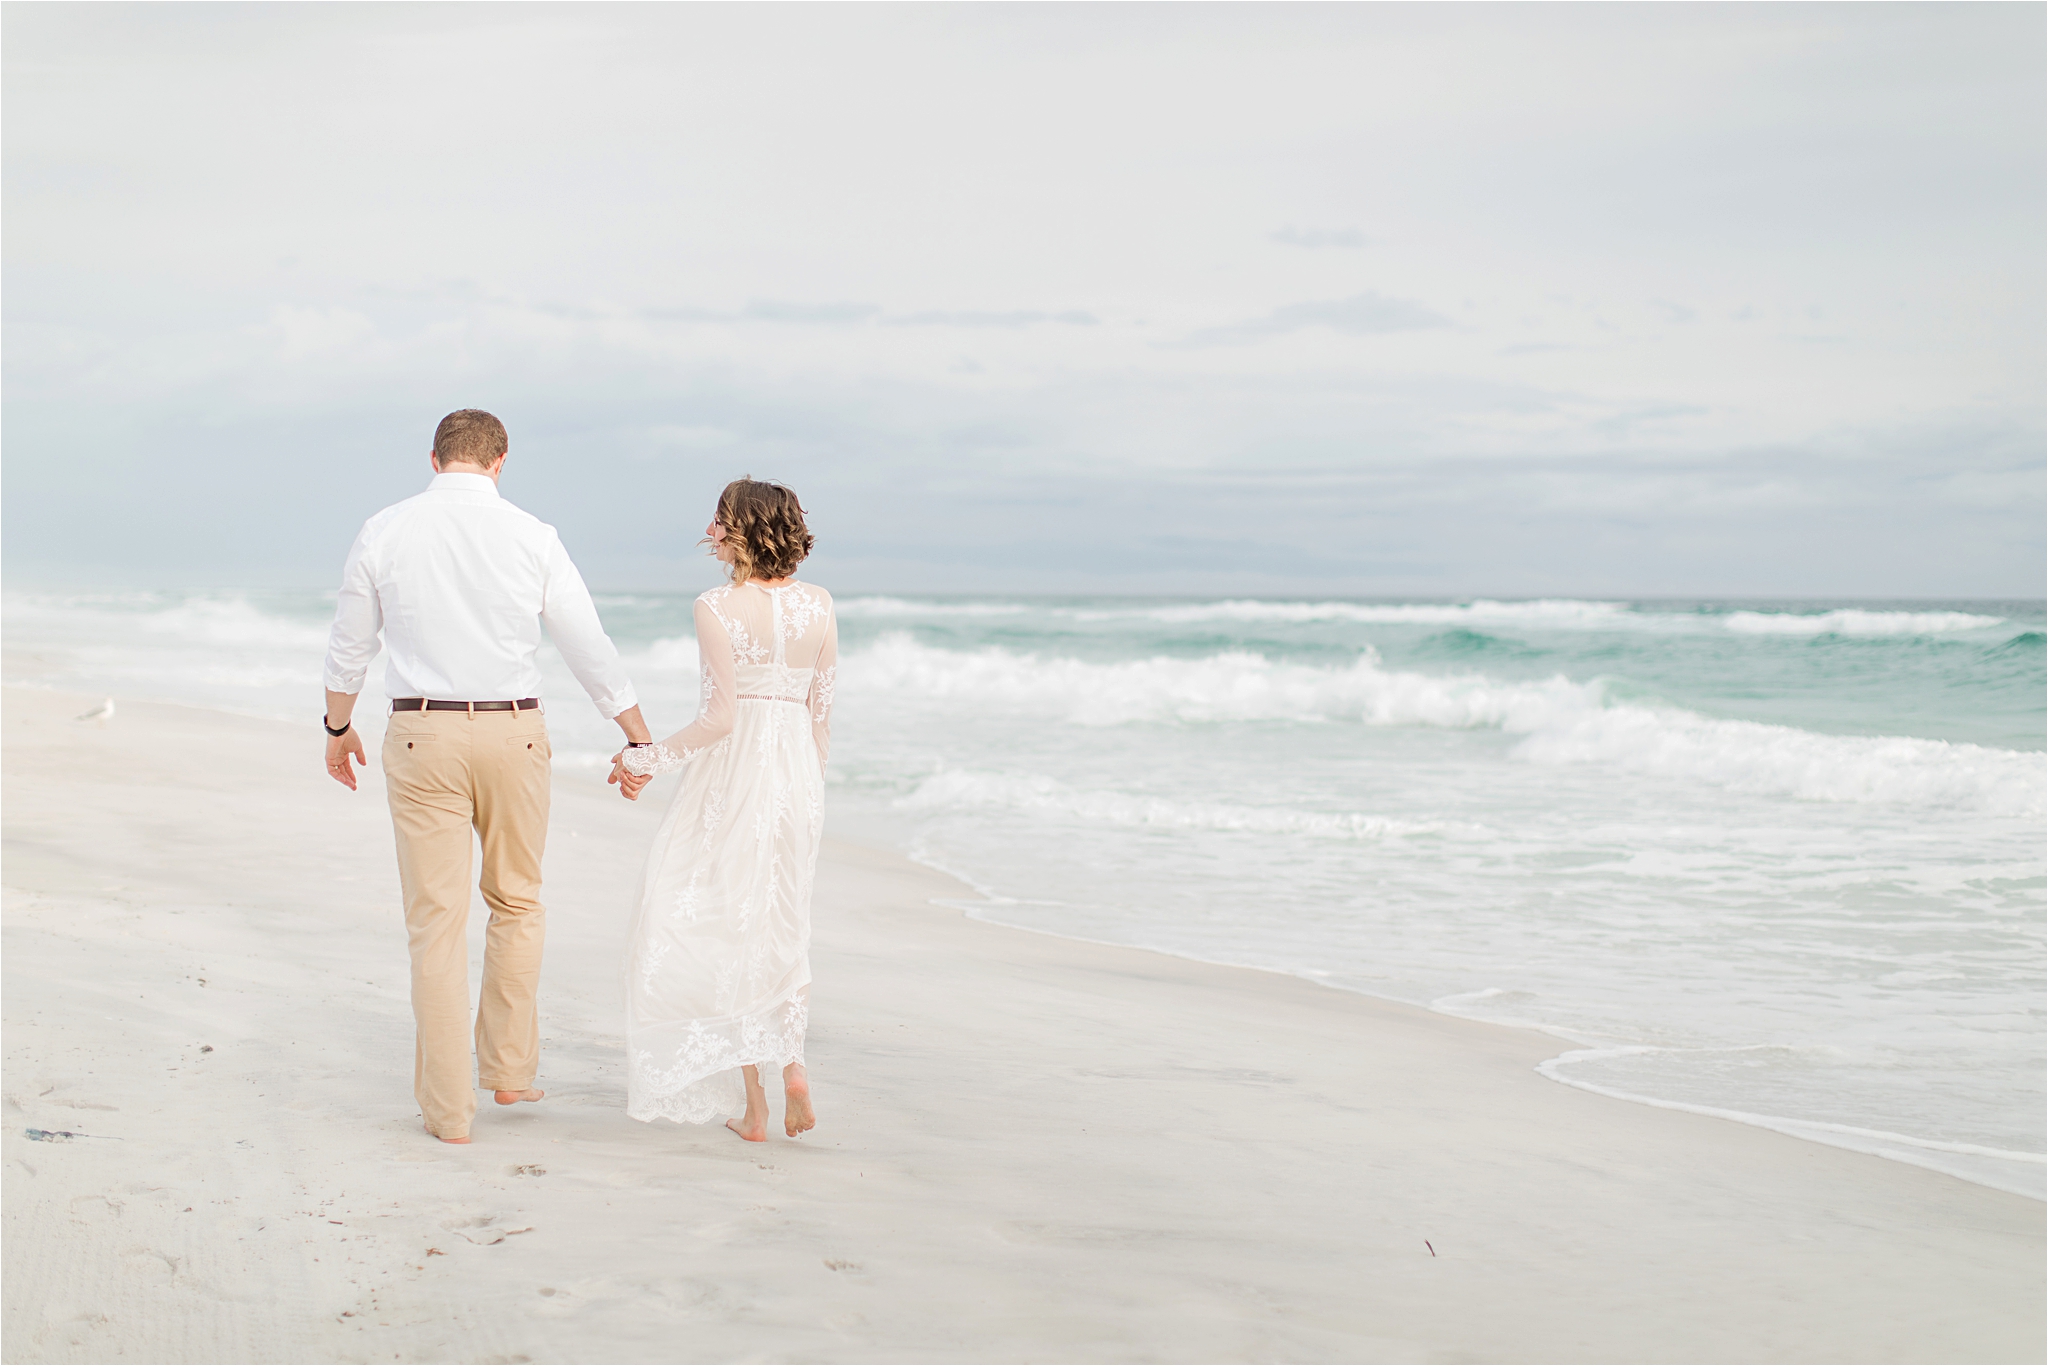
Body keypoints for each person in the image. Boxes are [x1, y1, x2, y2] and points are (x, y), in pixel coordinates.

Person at [321, 409, 653, 1144]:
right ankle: (506, 1070)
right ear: (500, 461)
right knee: (518, 901)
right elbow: (584, 641)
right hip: (514, 732)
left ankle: (448, 1113)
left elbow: (351, 641)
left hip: (422, 733)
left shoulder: (385, 529)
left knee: (435, 925)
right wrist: (634, 732)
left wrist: (337, 727)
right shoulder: (534, 536)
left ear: (435, 458)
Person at [610, 478, 837, 1142]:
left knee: (723, 923)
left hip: (734, 777)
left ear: (740, 528)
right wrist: (811, 790)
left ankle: (758, 1105)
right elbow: (821, 716)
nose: (708, 532)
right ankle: (789, 1073)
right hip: (797, 777)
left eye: (716, 521)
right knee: (783, 923)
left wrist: (642, 760)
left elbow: (719, 719)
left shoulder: (717, 605)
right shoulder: (821, 604)